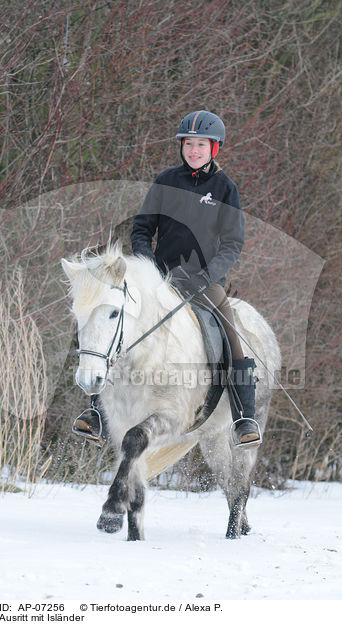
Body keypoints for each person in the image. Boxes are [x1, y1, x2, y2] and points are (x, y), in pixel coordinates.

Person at [130, 110, 260, 447]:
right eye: (189, 144)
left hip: (204, 282)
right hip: (160, 279)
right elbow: (142, 229)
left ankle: (244, 418)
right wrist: (147, 269)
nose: (194, 150)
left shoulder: (225, 188)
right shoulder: (165, 181)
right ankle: (95, 411)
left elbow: (233, 242)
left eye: (201, 145)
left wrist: (208, 276)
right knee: (116, 319)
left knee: (233, 337)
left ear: (214, 148)